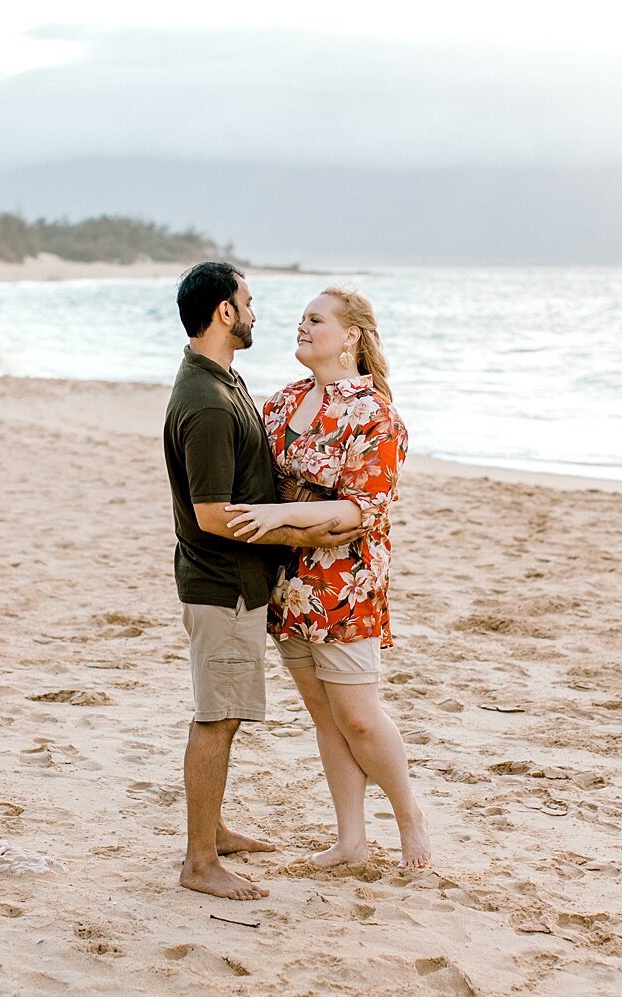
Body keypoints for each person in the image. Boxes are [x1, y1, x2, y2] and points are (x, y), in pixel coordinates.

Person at [163, 262, 363, 901]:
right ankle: (200, 862)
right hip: (222, 583)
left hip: (235, 582)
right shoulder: (207, 401)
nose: (256, 314)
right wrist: (302, 535)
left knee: (224, 713)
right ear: (225, 311)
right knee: (217, 717)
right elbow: (212, 514)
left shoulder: (221, 381)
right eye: (248, 302)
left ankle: (213, 830)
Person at [223, 286, 430, 869]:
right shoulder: (283, 402)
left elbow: (360, 509)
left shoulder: (376, 414)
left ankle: (409, 815)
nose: (301, 327)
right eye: (300, 320)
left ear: (352, 336)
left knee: (359, 717)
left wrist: (280, 513)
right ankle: (351, 840)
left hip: (346, 582)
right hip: (286, 579)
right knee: (323, 713)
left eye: (315, 320)